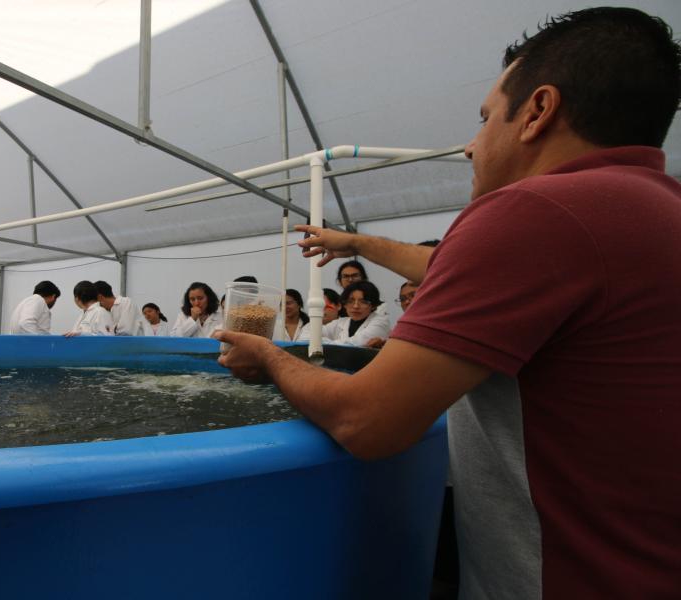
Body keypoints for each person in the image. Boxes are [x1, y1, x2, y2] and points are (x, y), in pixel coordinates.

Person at [217, 8, 681, 598]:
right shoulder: (645, 212)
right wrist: (355, 242)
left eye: (485, 118)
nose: (470, 146)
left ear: (537, 111)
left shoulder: (534, 211)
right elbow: (458, 275)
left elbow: (368, 421)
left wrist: (271, 359)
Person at [322, 281, 390, 348]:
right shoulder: (340, 322)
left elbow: (356, 343)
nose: (355, 306)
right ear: (344, 304)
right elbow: (313, 334)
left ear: (374, 305)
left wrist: (324, 342)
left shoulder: (381, 322)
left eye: (363, 302)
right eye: (350, 301)